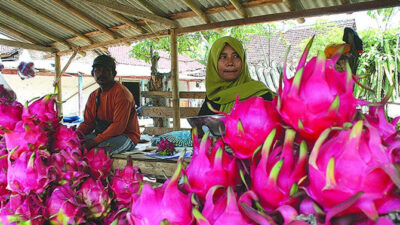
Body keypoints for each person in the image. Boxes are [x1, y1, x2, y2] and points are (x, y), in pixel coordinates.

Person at [77, 55, 140, 154]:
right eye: (97, 70)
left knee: (97, 152)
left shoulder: (122, 94)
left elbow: (118, 126)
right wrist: (73, 136)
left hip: (125, 136)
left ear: (114, 73)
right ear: (92, 73)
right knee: (74, 145)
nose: (101, 73)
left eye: (106, 70)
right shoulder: (93, 96)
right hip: (102, 135)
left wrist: (94, 141)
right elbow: (88, 123)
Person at [198, 36, 274, 115]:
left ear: (243, 60)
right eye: (223, 57)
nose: (230, 63)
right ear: (213, 63)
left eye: (235, 56)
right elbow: (200, 125)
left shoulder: (261, 95)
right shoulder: (213, 96)